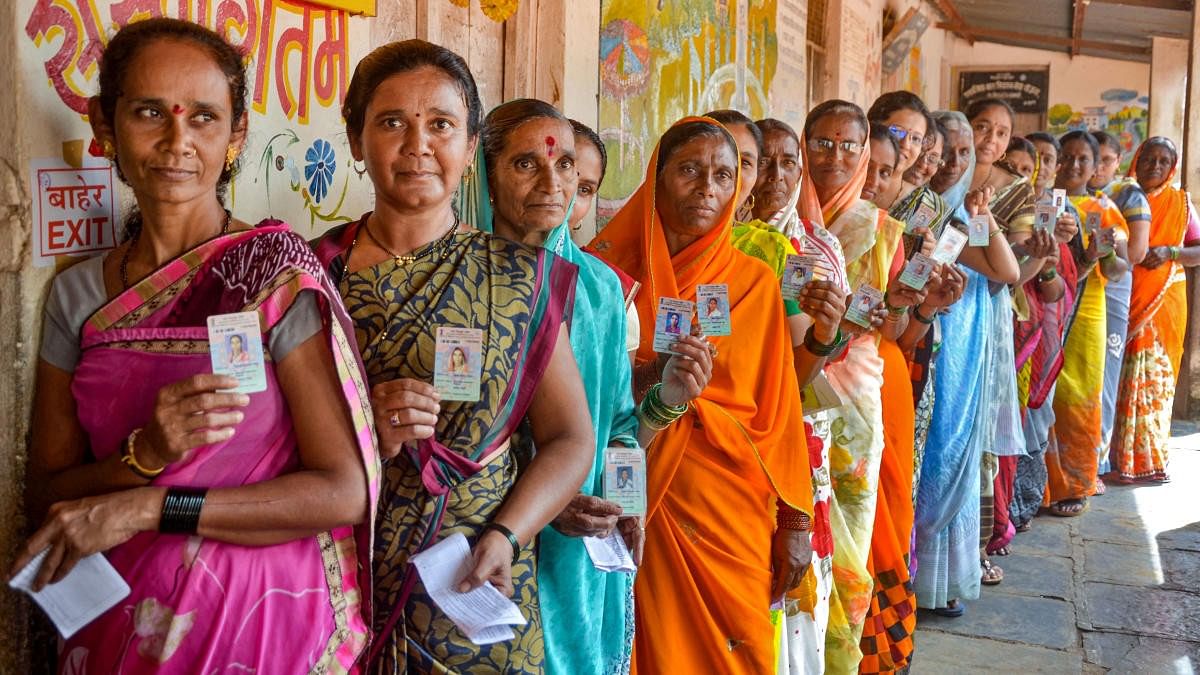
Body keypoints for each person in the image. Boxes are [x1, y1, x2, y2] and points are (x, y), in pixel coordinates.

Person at [13, 18, 378, 671]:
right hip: (120, 629)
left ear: (236, 134)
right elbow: (46, 492)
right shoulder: (78, 299)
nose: (177, 140)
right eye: (150, 112)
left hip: (265, 634)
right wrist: (145, 454)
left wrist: (152, 505)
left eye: (204, 118)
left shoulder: (275, 276)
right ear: (105, 123)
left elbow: (343, 489)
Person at [315, 41, 597, 673]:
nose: (418, 144)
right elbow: (266, 443)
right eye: (392, 123)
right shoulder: (309, 277)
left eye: (440, 125)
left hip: (476, 584)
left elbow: (570, 439)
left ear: (470, 148)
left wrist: (507, 534)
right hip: (334, 578)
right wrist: (363, 431)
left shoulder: (520, 280)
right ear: (357, 140)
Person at [472, 98, 711, 675]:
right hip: (473, 529)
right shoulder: (458, 278)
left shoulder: (600, 289)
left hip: (574, 553)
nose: (552, 183)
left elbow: (621, 427)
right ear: (484, 172)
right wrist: (546, 497)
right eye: (527, 164)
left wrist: (626, 505)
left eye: (566, 166)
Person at [590, 116, 814, 674]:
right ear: (656, 179)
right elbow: (584, 396)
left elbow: (780, 413)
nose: (706, 187)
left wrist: (796, 524)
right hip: (630, 496)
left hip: (728, 510)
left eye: (721, 173)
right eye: (688, 170)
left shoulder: (757, 283)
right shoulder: (604, 275)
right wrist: (650, 382)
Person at [717, 112, 846, 673]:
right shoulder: (639, 252)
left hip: (766, 455)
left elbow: (788, 384)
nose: (759, 177)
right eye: (746, 163)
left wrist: (824, 333)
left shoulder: (785, 252)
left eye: (778, 162)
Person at [913, 110, 1019, 618]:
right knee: (926, 449)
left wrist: (982, 216)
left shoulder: (958, 215)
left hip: (961, 346)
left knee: (950, 450)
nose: (952, 163)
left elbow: (1006, 270)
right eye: (943, 152)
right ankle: (910, 573)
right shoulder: (921, 210)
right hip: (926, 336)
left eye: (963, 153)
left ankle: (938, 578)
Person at [963, 98, 1057, 583]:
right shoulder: (945, 173)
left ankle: (977, 544)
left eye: (1001, 132)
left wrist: (1040, 258)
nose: (991, 141)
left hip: (987, 310)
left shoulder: (1015, 190)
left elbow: (1013, 274)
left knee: (981, 431)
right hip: (938, 305)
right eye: (982, 127)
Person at [1044, 130, 1131, 518]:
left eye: (1084, 160)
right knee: (1043, 391)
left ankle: (1075, 482)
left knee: (1078, 393)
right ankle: (1041, 484)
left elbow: (1116, 269)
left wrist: (1104, 250)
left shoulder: (1103, 209)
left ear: (1097, 167)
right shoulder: (1045, 200)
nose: (1074, 166)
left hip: (1087, 309)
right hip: (1045, 305)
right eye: (1067, 157)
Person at [1111, 137, 1200, 484]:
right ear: (1137, 160)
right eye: (1149, 159)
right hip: (1122, 294)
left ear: (1173, 167)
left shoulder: (1180, 203)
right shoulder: (1120, 197)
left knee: (1153, 378)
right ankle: (1114, 460)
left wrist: (1170, 252)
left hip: (1163, 303)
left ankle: (1148, 461)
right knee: (1118, 376)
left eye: (1164, 161)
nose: (1155, 167)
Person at [1010, 131, 1081, 534]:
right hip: (1003, 331)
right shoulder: (991, 211)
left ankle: (1023, 505)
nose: (1026, 174)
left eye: (1034, 165)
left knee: (1034, 418)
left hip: (1040, 334)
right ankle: (1006, 509)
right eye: (1015, 166)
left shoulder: (1059, 217)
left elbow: (1058, 288)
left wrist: (1047, 260)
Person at [1090, 130, 1151, 482]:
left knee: (1105, 375)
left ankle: (1096, 462)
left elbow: (1137, 252)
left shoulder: (1126, 194)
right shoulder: (1074, 194)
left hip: (1111, 288)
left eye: (1106, 160)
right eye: (1090, 158)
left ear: (1118, 162)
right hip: (1080, 288)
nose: (1097, 167)